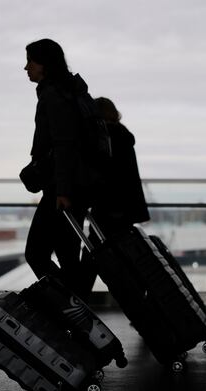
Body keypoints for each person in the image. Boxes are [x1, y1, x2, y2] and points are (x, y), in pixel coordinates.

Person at [22, 38, 93, 295]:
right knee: (67, 254)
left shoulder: (54, 95)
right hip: (77, 185)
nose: (26, 67)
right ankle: (77, 307)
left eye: (31, 61)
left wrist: (62, 191)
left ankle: (70, 304)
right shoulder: (72, 91)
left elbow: (64, 144)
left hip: (62, 189)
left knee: (36, 253)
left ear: (45, 64)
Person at [79, 97, 150, 298]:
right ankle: (139, 297)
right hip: (125, 208)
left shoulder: (106, 138)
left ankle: (79, 297)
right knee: (119, 254)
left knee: (94, 252)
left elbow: (103, 173)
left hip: (108, 206)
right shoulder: (123, 137)